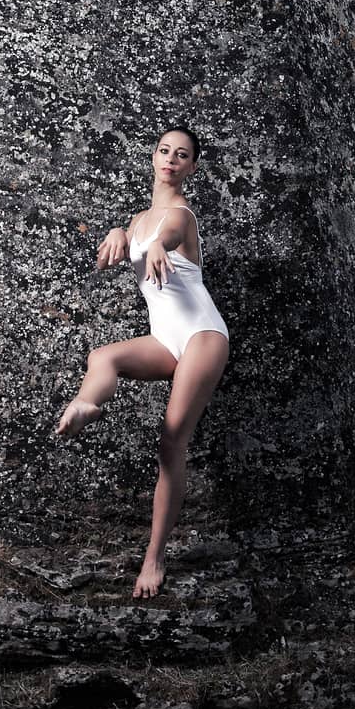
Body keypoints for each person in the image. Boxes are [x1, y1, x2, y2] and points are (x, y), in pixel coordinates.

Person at [55, 125, 230, 599]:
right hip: (165, 338)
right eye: (164, 151)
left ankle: (154, 558)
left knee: (171, 441)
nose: (171, 159)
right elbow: (139, 232)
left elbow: (169, 233)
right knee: (102, 356)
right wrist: (120, 232)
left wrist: (157, 245)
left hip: (202, 336)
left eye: (183, 155)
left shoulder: (182, 216)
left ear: (192, 167)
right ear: (154, 158)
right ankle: (87, 405)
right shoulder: (137, 220)